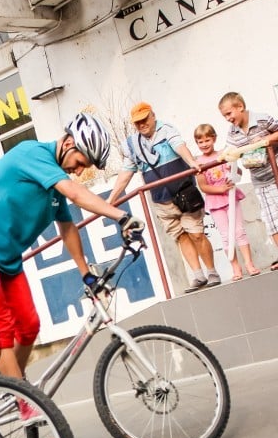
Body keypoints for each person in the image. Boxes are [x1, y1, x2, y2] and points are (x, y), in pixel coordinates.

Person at [0, 113, 144, 380]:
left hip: (7, 260)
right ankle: (24, 400)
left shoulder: (53, 181)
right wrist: (121, 216)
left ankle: (14, 388)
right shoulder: (32, 153)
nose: (78, 172)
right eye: (80, 163)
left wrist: (85, 273)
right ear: (68, 144)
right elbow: (77, 195)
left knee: (29, 326)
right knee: (3, 329)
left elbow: (67, 227)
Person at [108, 102, 220, 293]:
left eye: (144, 119)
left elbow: (179, 146)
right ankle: (198, 275)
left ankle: (212, 272)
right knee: (180, 235)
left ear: (153, 116)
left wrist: (192, 162)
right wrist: (110, 201)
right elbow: (126, 172)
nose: (142, 125)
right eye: (137, 123)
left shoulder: (166, 129)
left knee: (196, 233)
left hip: (183, 191)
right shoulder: (132, 144)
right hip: (161, 198)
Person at [218, 91, 278, 270]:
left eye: (229, 113)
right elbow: (230, 153)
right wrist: (229, 163)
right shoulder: (233, 133)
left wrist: (265, 140)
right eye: (224, 116)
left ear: (240, 107)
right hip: (259, 180)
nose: (228, 118)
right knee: (271, 220)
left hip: (275, 171)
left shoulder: (261, 119)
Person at [194, 123, 260, 280]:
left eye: (207, 140)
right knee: (225, 236)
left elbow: (237, 171)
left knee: (239, 231)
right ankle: (235, 268)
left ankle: (249, 263)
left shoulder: (224, 154)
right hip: (216, 201)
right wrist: (221, 188)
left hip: (231, 197)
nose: (204, 144)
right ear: (197, 143)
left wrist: (233, 167)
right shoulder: (199, 163)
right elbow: (203, 186)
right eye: (200, 142)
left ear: (214, 139)